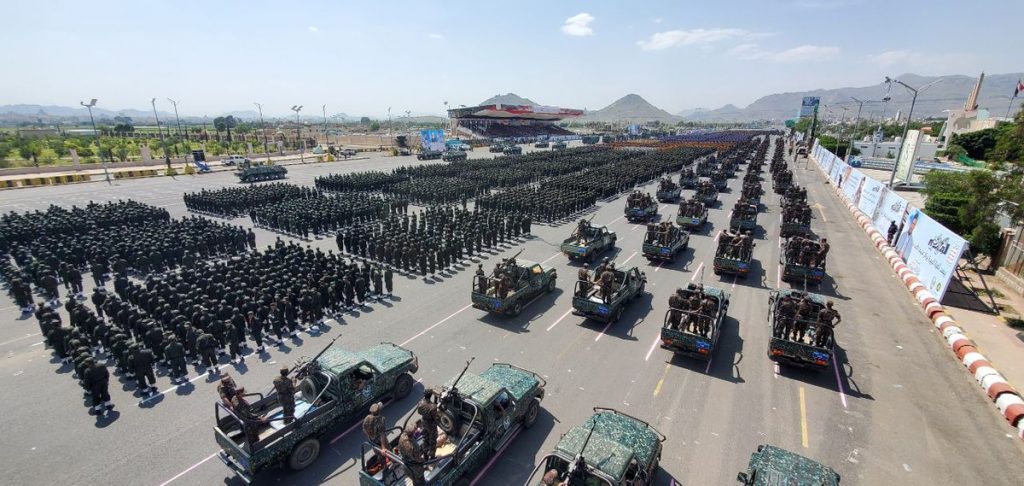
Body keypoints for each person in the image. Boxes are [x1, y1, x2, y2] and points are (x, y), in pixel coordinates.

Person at [416, 389, 440, 461]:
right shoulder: (432, 407)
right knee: (432, 441)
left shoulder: (420, 403)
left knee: (425, 439)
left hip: (424, 422)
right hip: (431, 425)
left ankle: (426, 456)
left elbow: (419, 412)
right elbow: (436, 418)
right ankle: (432, 457)